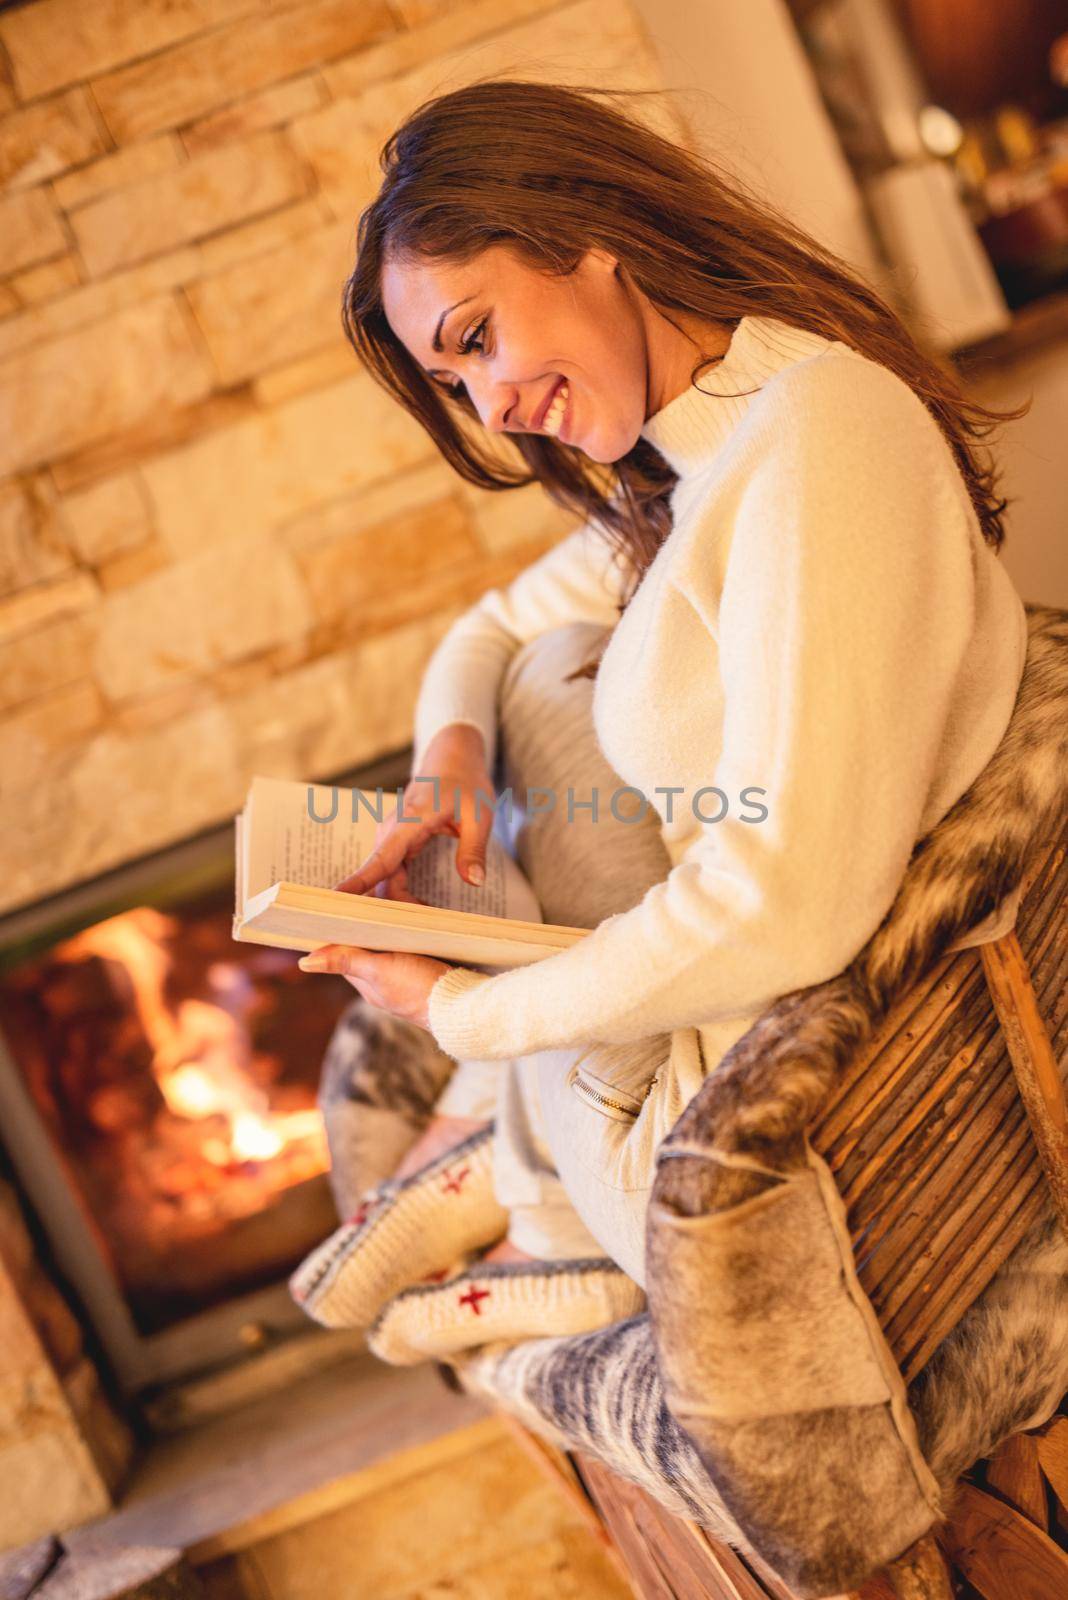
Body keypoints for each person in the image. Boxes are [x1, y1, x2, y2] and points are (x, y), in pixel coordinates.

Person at [291, 77, 1029, 1363]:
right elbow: (487, 626)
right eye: (453, 383)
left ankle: (522, 1188)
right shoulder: (707, 456)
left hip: (738, 1140)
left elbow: (784, 902)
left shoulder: (822, 438)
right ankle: (513, 1179)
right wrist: (444, 769)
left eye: (476, 337)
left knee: (552, 690)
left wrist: (456, 1013)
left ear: (585, 228)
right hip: (701, 1067)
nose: (494, 407)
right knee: (535, 677)